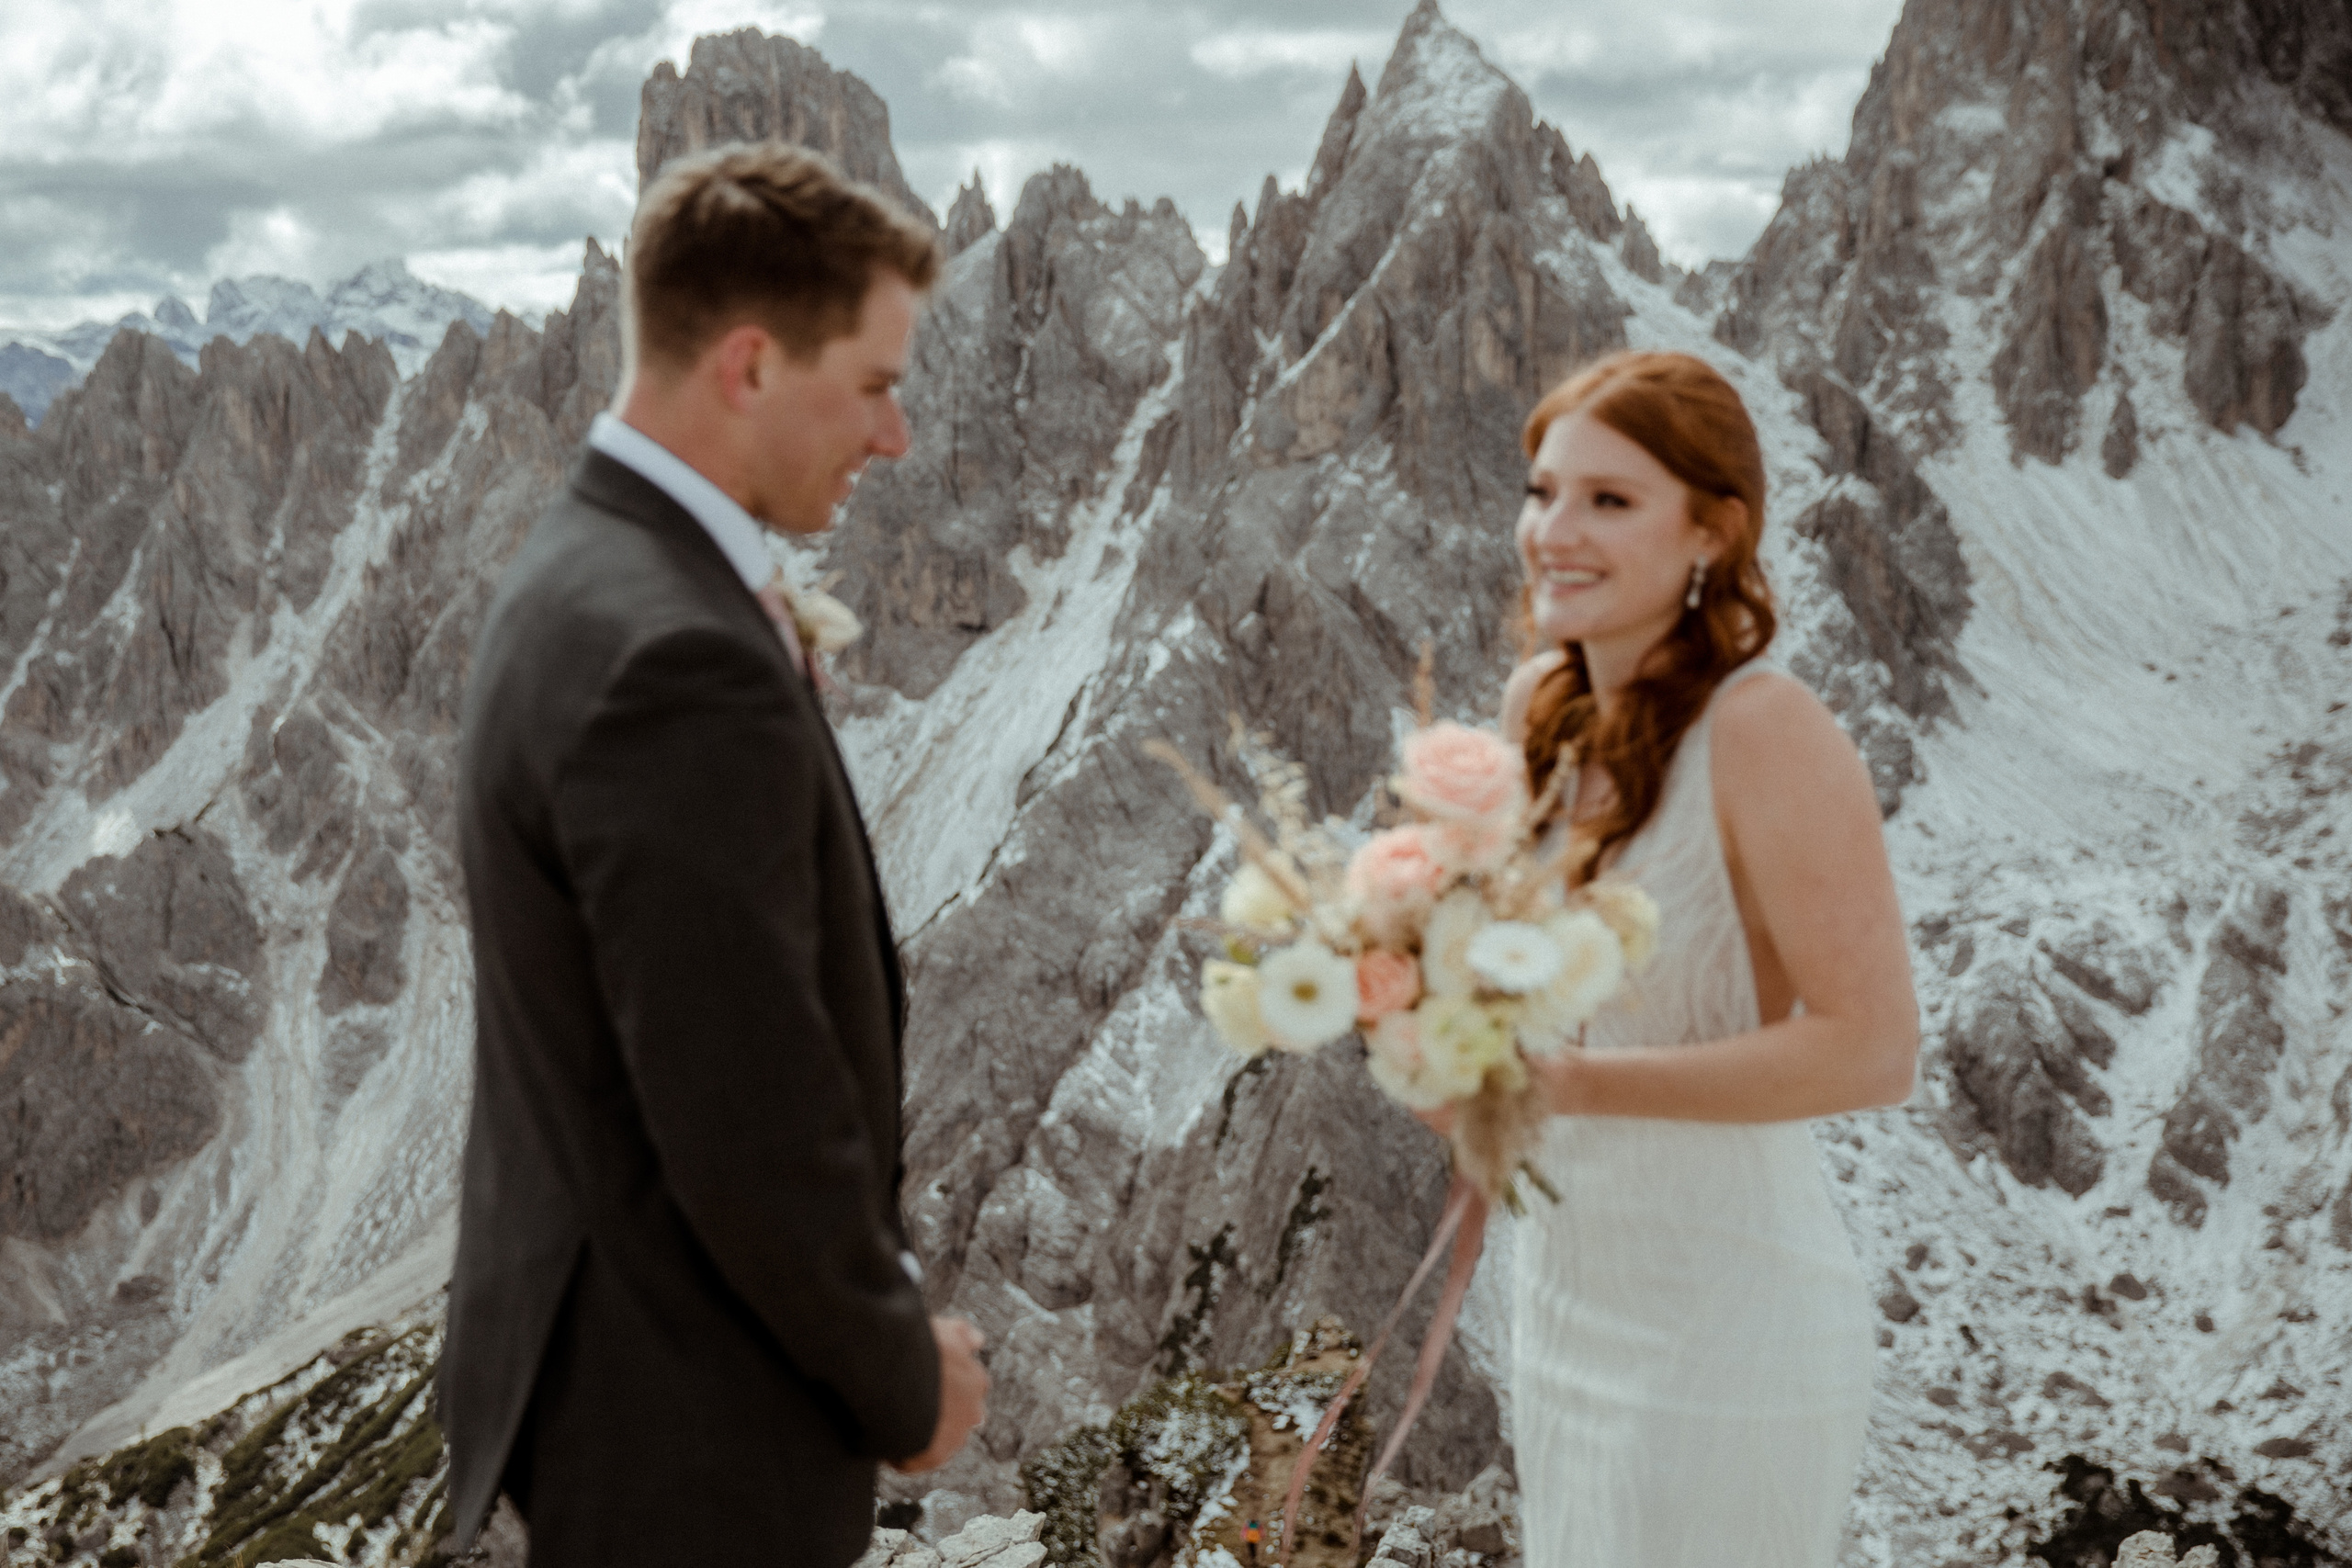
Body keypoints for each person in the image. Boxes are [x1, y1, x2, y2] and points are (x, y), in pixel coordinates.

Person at [439, 142, 989, 1568]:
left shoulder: (579, 572)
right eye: (873, 385)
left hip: (621, 1391)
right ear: (747, 364)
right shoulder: (676, 655)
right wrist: (903, 1378)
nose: (895, 438)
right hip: (693, 1425)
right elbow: (742, 1101)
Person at [1497, 350, 1918, 1567]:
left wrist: (1578, 1089)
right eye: (1542, 493)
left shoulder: (1765, 729)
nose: (1554, 532)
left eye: (1610, 501)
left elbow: (1874, 1049)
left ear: (1711, 532)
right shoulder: (1538, 708)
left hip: (1733, 1325)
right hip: (1568, 1299)